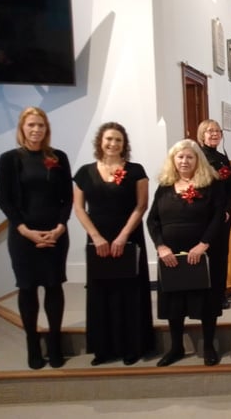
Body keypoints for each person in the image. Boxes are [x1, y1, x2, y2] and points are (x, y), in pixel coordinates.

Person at [73, 122, 155, 366]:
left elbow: (141, 206)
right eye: (109, 139)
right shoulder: (84, 173)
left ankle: (132, 347)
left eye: (118, 140)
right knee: (101, 291)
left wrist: (123, 236)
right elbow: (78, 208)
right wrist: (96, 237)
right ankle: (104, 348)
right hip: (98, 239)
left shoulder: (136, 170)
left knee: (129, 292)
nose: (113, 144)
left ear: (124, 144)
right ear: (100, 141)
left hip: (128, 236)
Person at [0, 106, 72, 369]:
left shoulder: (58, 157)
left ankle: (54, 343)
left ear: (46, 129)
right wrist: (26, 231)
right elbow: (5, 201)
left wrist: (61, 226)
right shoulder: (9, 159)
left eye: (40, 125)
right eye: (31, 125)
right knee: (27, 288)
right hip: (23, 236)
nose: (36, 130)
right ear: (22, 128)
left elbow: (67, 198)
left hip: (55, 233)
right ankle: (32, 344)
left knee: (54, 286)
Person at [146, 139, 226, 367]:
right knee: (174, 302)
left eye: (190, 157)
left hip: (201, 253)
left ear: (197, 160)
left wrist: (203, 245)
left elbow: (218, 216)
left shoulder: (210, 184)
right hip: (171, 256)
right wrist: (161, 247)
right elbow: (153, 220)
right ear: (173, 160)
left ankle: (209, 345)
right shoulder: (164, 186)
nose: (184, 161)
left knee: (206, 302)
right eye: (180, 156)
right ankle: (176, 347)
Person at [197, 119, 231, 309]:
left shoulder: (222, 158)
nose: (214, 134)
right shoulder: (198, 157)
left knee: (221, 256)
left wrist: (228, 209)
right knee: (205, 254)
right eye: (209, 131)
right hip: (204, 215)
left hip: (223, 215)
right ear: (202, 135)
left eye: (217, 131)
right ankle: (204, 294)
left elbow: (230, 188)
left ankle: (219, 294)